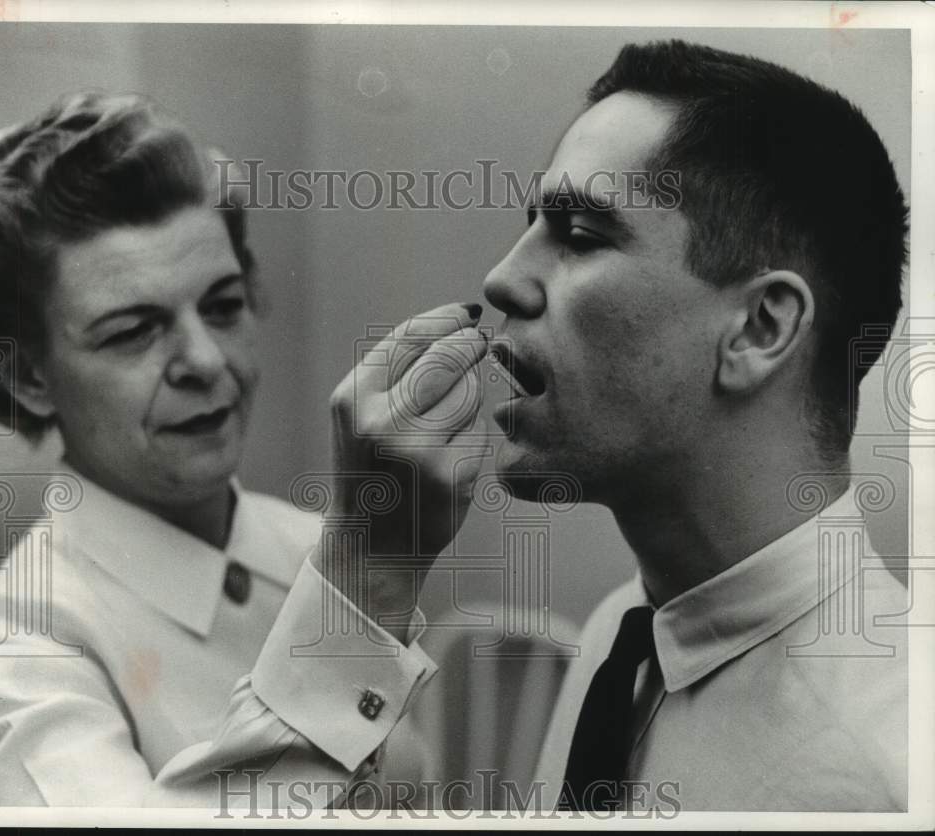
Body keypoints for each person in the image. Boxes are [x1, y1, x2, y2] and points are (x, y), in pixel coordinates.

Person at [329, 39, 910, 813]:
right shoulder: (620, 637)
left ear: (760, 329)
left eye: (580, 235)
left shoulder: (882, 765)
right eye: (534, 222)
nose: (502, 278)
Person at [0, 90, 484, 809]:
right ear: (27, 375)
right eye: (132, 330)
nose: (204, 359)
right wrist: (364, 586)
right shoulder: (6, 649)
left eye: (224, 305)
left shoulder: (312, 549)